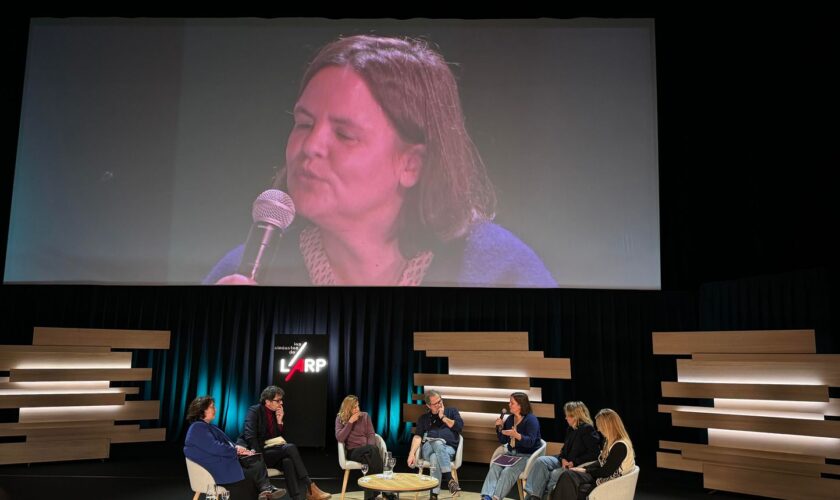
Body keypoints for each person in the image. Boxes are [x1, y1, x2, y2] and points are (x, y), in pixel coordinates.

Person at [206, 34, 556, 288]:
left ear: (412, 165)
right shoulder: (241, 272)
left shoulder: (499, 271)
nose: (310, 146)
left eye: (344, 134)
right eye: (304, 123)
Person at [236, 386, 332, 500]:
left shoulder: (274, 413)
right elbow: (250, 436)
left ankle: (297, 497)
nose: (281, 403)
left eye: (281, 400)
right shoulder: (255, 410)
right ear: (267, 401)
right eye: (278, 400)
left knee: (287, 461)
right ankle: (310, 486)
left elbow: (276, 438)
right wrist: (259, 457)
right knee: (290, 447)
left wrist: (279, 421)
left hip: (268, 451)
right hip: (255, 453)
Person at [183, 395, 286, 500]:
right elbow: (215, 447)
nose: (215, 409)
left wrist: (239, 448)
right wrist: (236, 450)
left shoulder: (206, 426)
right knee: (251, 474)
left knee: (254, 463)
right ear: (202, 410)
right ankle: (266, 489)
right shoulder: (198, 427)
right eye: (212, 407)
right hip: (214, 468)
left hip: (219, 464)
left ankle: (265, 489)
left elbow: (226, 444)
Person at [551, 408, 635, 500]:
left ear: (607, 426)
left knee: (568, 477)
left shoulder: (620, 446)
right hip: (605, 478)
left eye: (600, 426)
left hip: (610, 483)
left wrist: (587, 471)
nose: (598, 429)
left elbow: (606, 471)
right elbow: (601, 462)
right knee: (568, 475)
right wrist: (583, 468)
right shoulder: (610, 441)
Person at [524, 401, 601, 500]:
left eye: (568, 416)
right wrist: (563, 458)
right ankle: (534, 496)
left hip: (576, 465)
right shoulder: (570, 429)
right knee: (540, 461)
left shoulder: (587, 429)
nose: (566, 418)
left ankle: (544, 497)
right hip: (564, 461)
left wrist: (574, 462)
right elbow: (564, 450)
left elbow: (594, 454)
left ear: (575, 416)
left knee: (554, 473)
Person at [480, 392, 542, 500]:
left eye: (512, 403)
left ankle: (496, 498)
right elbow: (503, 440)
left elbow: (531, 442)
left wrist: (517, 436)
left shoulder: (531, 420)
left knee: (507, 472)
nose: (509, 405)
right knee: (495, 466)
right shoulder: (510, 419)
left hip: (526, 455)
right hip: (511, 454)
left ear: (520, 405)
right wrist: (499, 428)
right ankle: (487, 497)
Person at [407, 390, 463, 499]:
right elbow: (418, 436)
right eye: (435, 403)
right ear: (428, 405)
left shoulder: (452, 411)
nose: (439, 404)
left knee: (435, 457)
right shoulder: (424, 418)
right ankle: (450, 479)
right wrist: (411, 453)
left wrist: (443, 417)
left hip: (449, 449)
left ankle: (433, 495)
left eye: (440, 401)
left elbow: (459, 427)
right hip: (428, 448)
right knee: (437, 442)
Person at [335, 395, 382, 500]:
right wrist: (350, 422)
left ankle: (369, 497)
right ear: (348, 408)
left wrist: (370, 447)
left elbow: (371, 434)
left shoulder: (365, 416)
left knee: (370, 458)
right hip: (354, 452)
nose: (358, 409)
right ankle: (380, 490)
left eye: (358, 406)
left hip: (367, 451)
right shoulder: (340, 418)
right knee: (373, 451)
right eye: (354, 407)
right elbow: (340, 438)